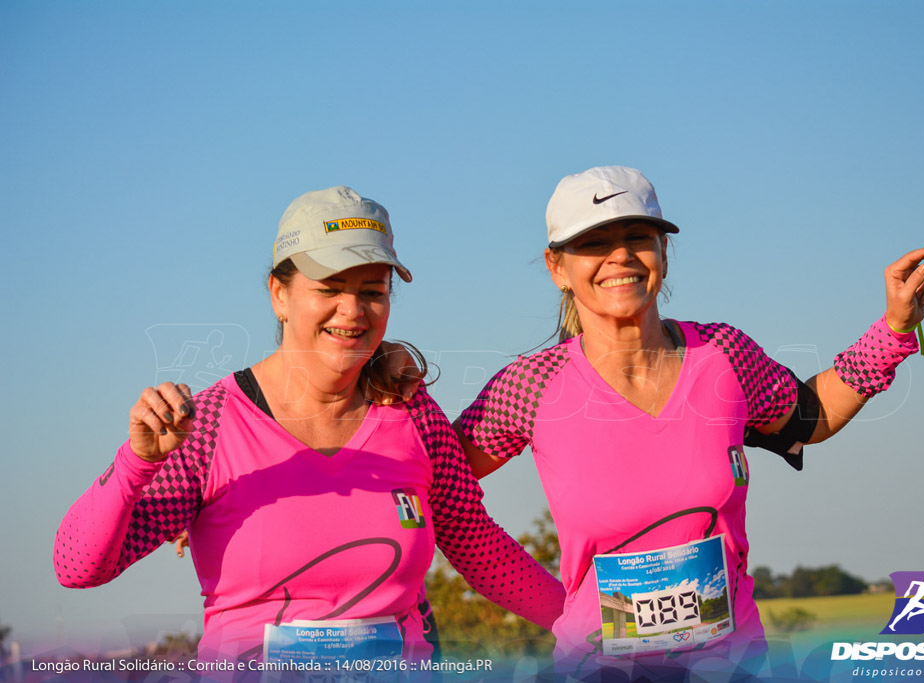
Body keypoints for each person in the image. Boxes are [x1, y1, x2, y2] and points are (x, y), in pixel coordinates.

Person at [454, 166, 924, 680]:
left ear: (664, 253)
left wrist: (893, 329)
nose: (620, 256)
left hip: (735, 664)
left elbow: (810, 416)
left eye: (638, 237)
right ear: (558, 267)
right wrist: (557, 608)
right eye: (594, 242)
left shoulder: (723, 355)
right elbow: (436, 486)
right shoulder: (529, 387)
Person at [54, 185, 565, 665]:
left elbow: (479, 547)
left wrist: (581, 627)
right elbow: (78, 567)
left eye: (373, 291)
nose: (354, 310)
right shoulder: (208, 425)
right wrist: (136, 463)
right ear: (280, 294)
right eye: (330, 288)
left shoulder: (412, 412)